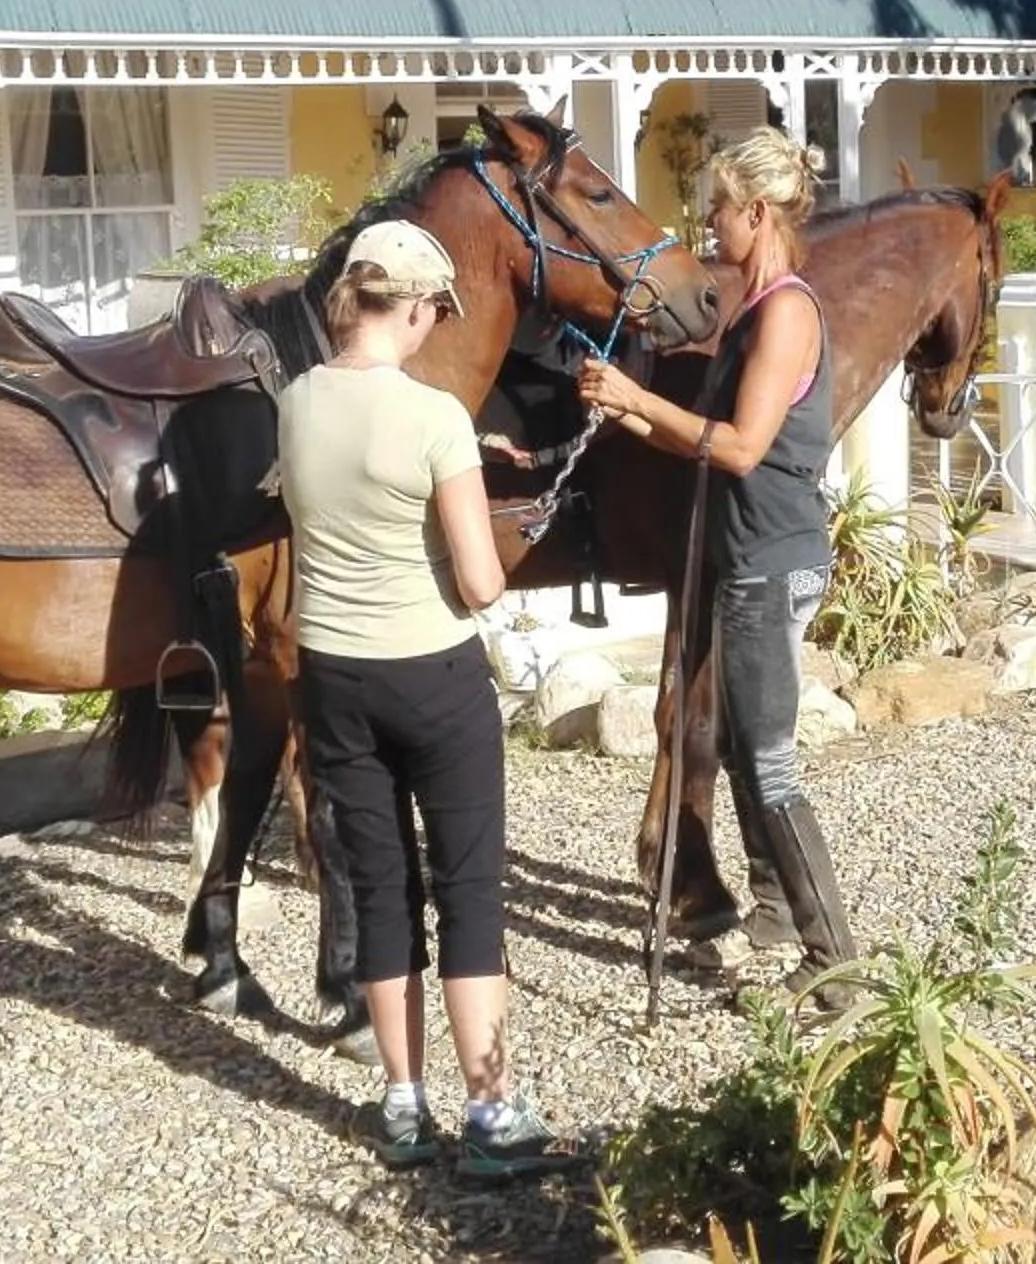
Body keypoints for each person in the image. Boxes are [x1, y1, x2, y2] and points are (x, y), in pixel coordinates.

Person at [273, 218, 578, 1177]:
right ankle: (490, 1114)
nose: (433, 326)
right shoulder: (436, 417)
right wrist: (470, 487)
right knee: (469, 888)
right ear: (409, 307)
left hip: (332, 673)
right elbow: (482, 584)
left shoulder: (295, 399)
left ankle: (403, 1107)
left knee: (382, 887)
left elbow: (347, 480)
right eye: (433, 311)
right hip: (431, 676)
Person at [576, 128, 859, 1010]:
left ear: (758, 212)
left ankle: (835, 965)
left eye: (719, 210)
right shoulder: (754, 305)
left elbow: (739, 448)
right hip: (748, 557)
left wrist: (640, 398)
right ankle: (774, 912)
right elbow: (701, 442)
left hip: (773, 561)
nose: (707, 225)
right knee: (738, 746)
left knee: (771, 766)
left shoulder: (786, 313)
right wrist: (622, 412)